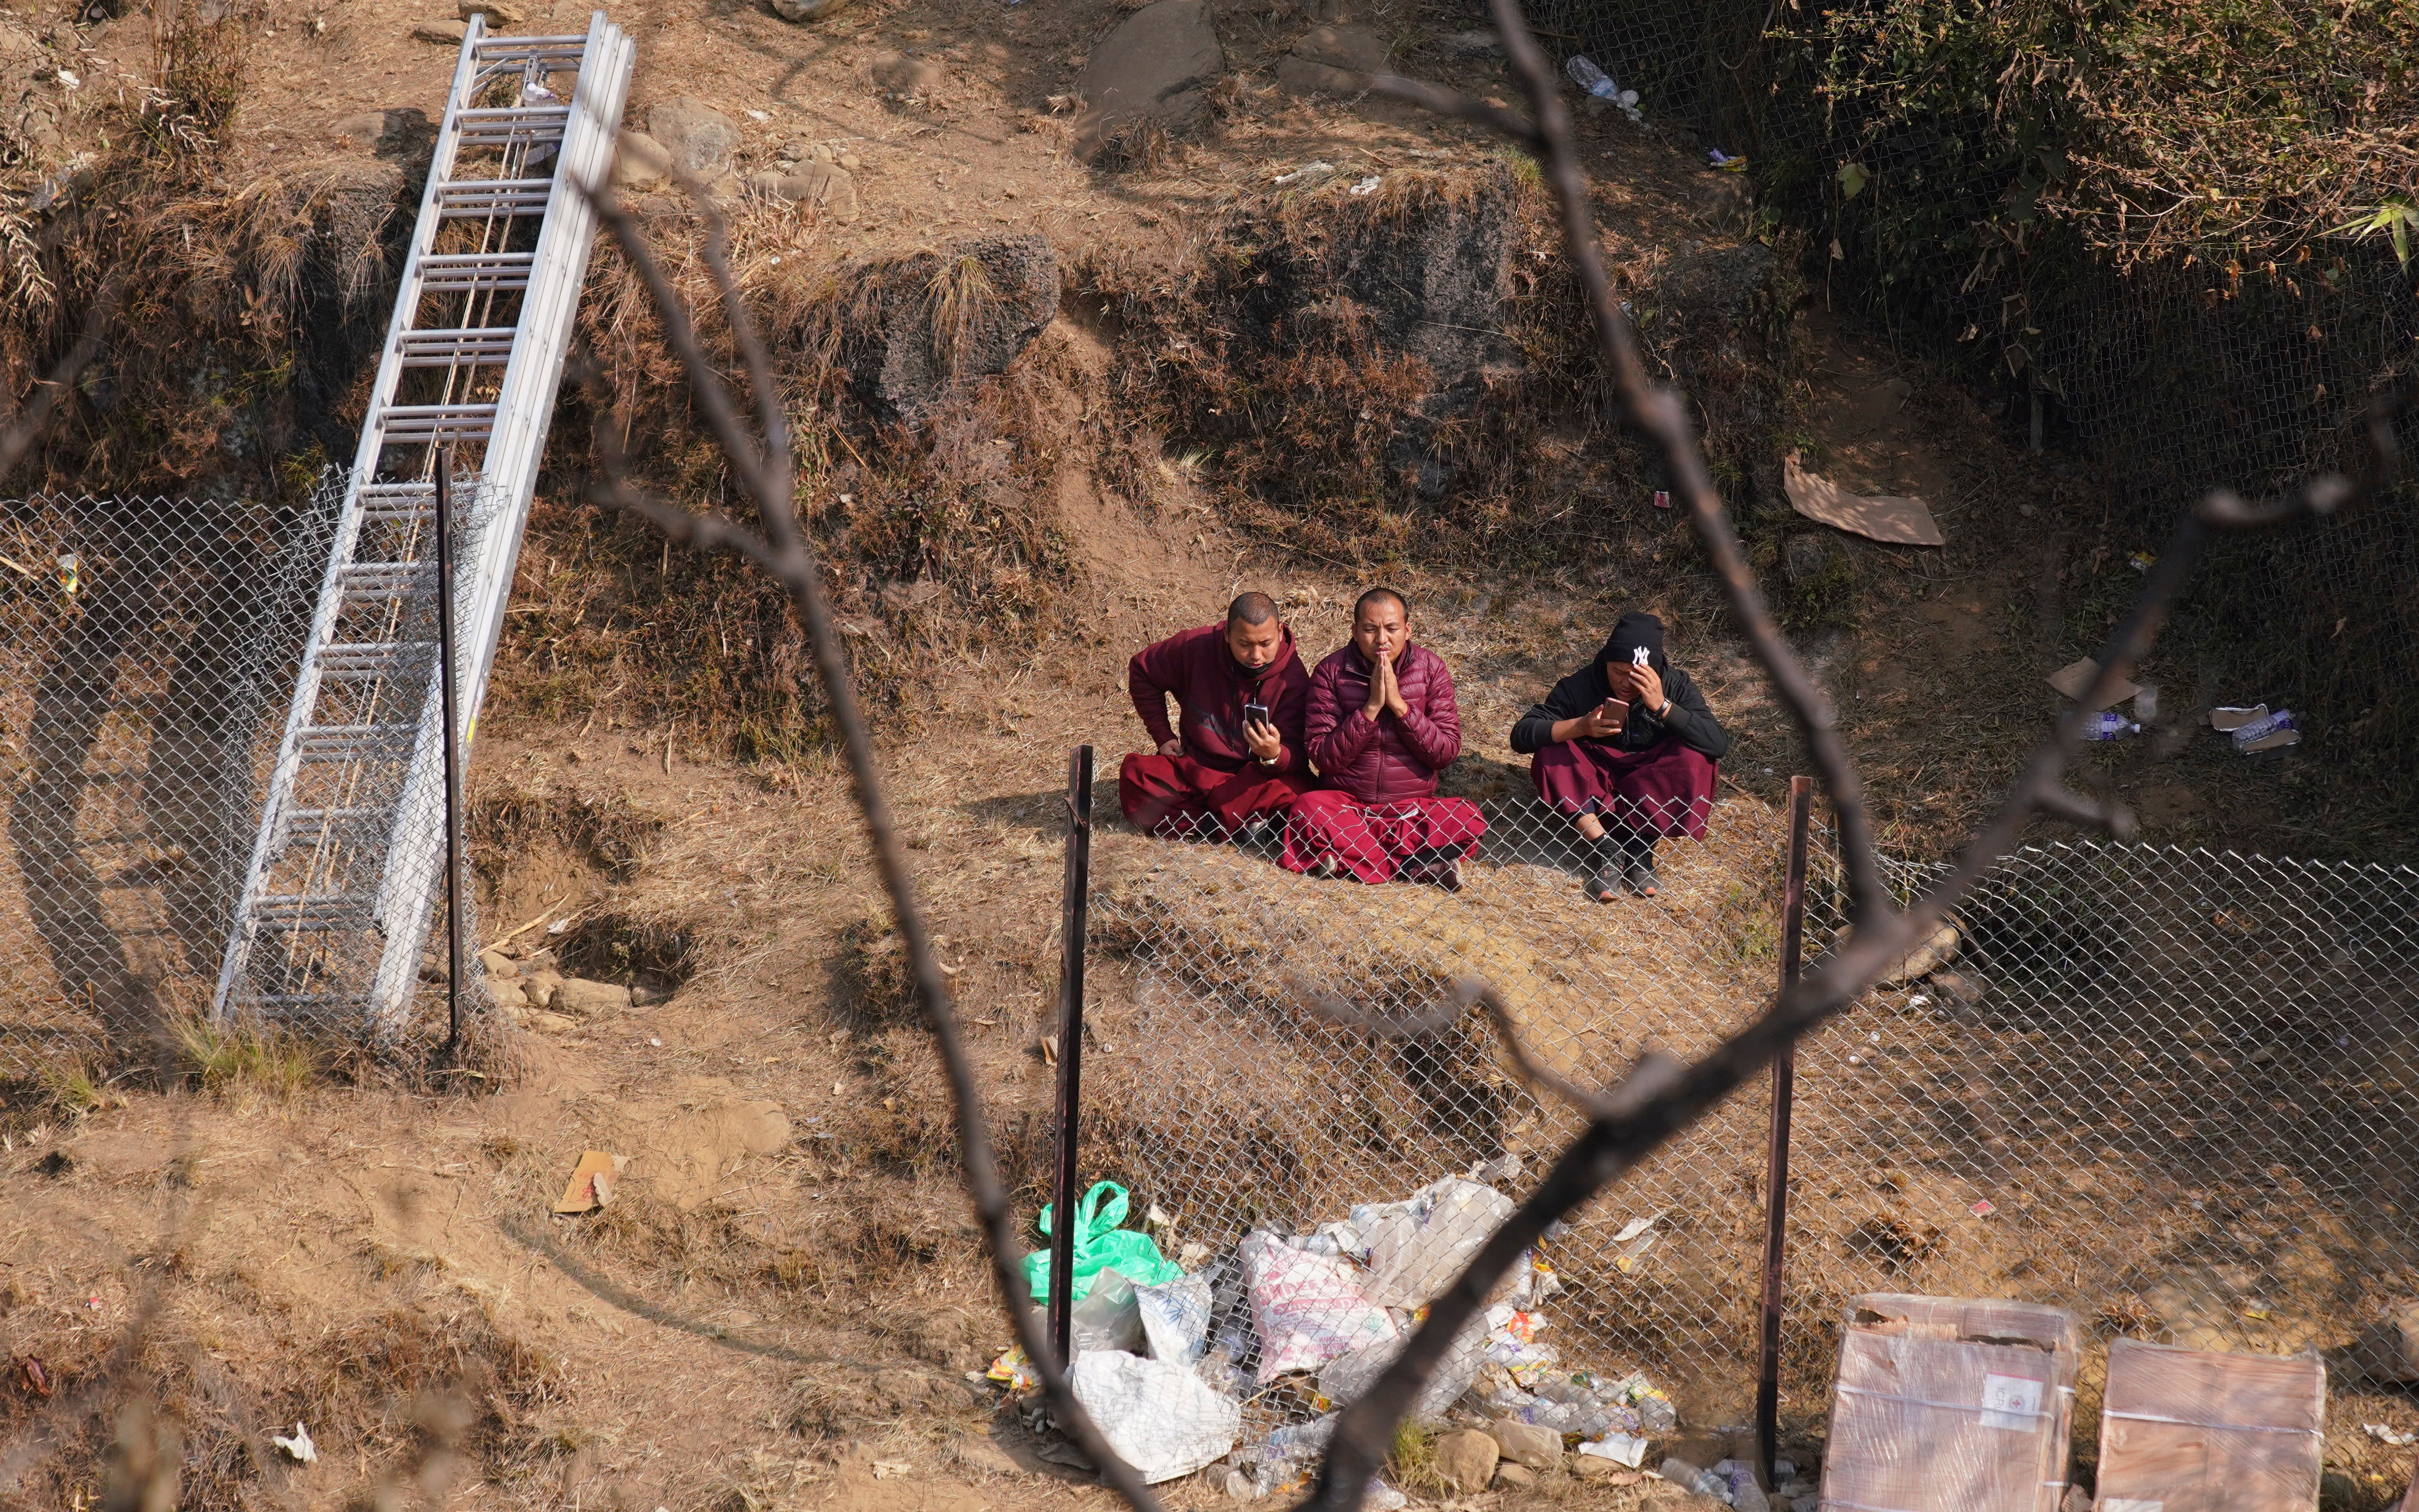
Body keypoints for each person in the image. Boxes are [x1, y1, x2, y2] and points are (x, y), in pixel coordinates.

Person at [1511, 610, 1729, 901]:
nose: (1627, 683)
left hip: (1648, 783)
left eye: (1638, 675)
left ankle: (1641, 848)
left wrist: (1662, 706)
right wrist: (1581, 726)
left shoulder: (1675, 685)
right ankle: (1606, 848)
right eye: (1618, 671)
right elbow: (1521, 735)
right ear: (1606, 662)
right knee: (1552, 746)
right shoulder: (1581, 685)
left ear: (1654, 671)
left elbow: (1717, 744)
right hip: (1594, 785)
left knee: (1696, 755)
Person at [1282, 588, 1486, 889]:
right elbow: (1324, 757)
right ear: (1354, 631)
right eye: (1369, 629)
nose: (1381, 640)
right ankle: (1413, 865)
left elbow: (1445, 753)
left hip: (1410, 810)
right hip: (1348, 807)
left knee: (1468, 817)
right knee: (1307, 808)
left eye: (1392, 629)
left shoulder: (1431, 670)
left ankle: (1354, 858)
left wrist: (1401, 708)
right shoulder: (1331, 672)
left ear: (1407, 629)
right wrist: (1371, 709)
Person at [1121, 592, 1313, 843]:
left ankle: (1210, 824)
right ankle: (1240, 826)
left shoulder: (1294, 678)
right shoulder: (1195, 647)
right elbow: (1142, 670)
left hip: (1253, 778)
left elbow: (1301, 754)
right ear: (1227, 635)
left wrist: (1274, 755)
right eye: (1244, 644)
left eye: (1266, 644)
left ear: (1279, 632)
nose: (1256, 655)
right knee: (1136, 775)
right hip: (1198, 770)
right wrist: (1162, 734)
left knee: (1301, 795)